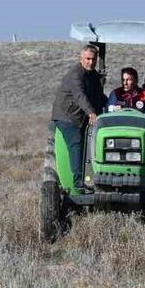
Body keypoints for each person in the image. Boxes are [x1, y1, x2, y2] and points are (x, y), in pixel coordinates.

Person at [50, 45, 105, 193]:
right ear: (81, 59)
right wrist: (91, 113)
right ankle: (78, 183)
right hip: (67, 116)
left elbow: (99, 96)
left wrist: (113, 105)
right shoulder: (75, 74)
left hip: (81, 116)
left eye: (93, 59)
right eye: (87, 59)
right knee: (77, 143)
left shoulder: (93, 76)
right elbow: (80, 95)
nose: (90, 62)